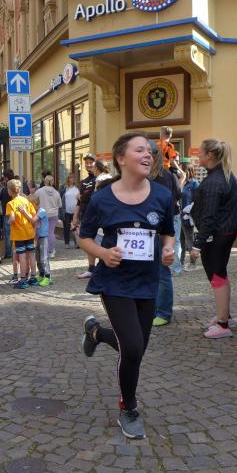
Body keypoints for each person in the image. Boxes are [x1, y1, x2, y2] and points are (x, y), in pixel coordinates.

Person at [79, 132, 176, 439]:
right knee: (132, 347)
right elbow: (84, 237)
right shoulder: (102, 198)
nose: (148, 155)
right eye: (140, 150)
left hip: (147, 282)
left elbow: (168, 232)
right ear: (121, 159)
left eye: (150, 151)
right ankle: (128, 407)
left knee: (137, 348)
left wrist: (169, 249)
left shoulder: (162, 195)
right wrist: (102, 253)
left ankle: (96, 333)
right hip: (115, 282)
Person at [189, 140, 237, 339]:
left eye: (200, 152)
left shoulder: (214, 181)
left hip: (217, 235)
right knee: (221, 274)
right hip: (224, 232)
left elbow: (209, 216)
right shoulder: (224, 175)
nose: (198, 156)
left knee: (217, 276)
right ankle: (224, 315)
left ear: (209, 155)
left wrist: (197, 244)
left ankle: (223, 324)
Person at [149, 144, 179, 327]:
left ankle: (163, 312)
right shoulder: (159, 175)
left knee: (162, 272)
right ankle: (154, 310)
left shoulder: (162, 177)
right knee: (154, 272)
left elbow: (166, 203)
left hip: (160, 229)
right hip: (153, 229)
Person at [5, 179, 38, 289]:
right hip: (29, 233)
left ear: (10, 191)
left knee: (22, 257)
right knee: (31, 255)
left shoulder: (10, 204)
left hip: (19, 235)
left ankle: (23, 280)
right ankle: (33, 278)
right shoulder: (26, 201)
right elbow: (33, 216)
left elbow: (12, 219)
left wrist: (8, 222)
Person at [72, 154, 99, 279]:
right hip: (85, 216)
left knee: (101, 242)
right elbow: (79, 202)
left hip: (98, 216)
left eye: (91, 162)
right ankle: (91, 269)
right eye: (86, 162)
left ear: (96, 163)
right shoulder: (83, 182)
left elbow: (95, 196)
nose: (88, 164)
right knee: (87, 242)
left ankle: (104, 267)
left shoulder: (99, 179)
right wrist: (75, 216)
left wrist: (82, 196)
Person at [35, 175, 62, 259]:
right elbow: (60, 205)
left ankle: (43, 250)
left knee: (42, 232)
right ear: (53, 182)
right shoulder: (56, 192)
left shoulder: (39, 191)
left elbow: (35, 200)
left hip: (42, 214)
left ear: (44, 181)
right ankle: (51, 251)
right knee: (51, 232)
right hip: (53, 214)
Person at [28, 193, 51, 286]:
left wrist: (25, 213)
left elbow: (33, 220)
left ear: (34, 203)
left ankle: (48, 277)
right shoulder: (34, 212)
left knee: (44, 258)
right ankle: (41, 275)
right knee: (38, 258)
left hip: (43, 237)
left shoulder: (41, 211)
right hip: (37, 237)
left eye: (29, 204)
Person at [180, 164, 200, 270]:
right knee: (181, 240)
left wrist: (191, 211)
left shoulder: (194, 183)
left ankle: (193, 263)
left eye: (180, 169)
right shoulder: (181, 182)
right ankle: (181, 262)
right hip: (179, 214)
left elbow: (198, 199)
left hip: (188, 215)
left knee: (189, 239)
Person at [62, 173, 79, 249]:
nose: (72, 179)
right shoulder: (64, 188)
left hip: (75, 211)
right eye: (71, 177)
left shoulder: (77, 188)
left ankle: (76, 243)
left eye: (73, 177)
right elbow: (61, 199)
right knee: (66, 227)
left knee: (75, 227)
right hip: (66, 211)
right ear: (68, 179)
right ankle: (67, 243)